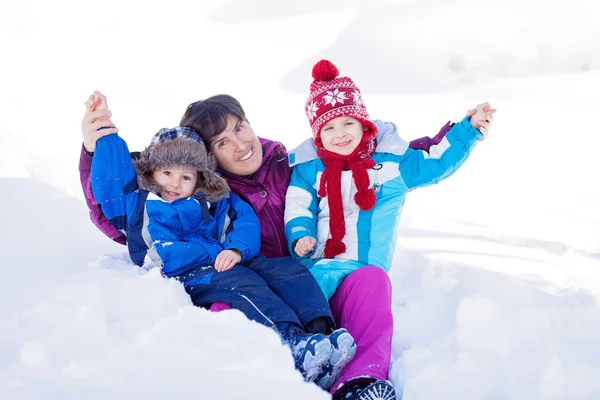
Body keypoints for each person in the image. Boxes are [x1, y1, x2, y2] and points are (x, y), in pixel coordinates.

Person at [79, 86, 493, 397]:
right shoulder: (204, 197)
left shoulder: (291, 160)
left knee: (372, 281)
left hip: (312, 278)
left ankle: (359, 380)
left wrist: (458, 133)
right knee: (226, 307)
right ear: (205, 159)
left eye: (240, 128)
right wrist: (93, 148)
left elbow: (373, 156)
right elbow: (122, 216)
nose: (241, 145)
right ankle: (284, 381)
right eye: (223, 142)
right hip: (253, 290)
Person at [86, 95, 357, 384]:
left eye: (186, 177)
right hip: (189, 274)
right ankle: (291, 342)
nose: (175, 183)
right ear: (152, 172)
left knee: (286, 270)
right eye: (167, 173)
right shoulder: (139, 203)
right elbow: (111, 181)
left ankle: (322, 335)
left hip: (230, 262)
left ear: (200, 179)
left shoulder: (215, 199)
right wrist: (104, 134)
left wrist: (238, 250)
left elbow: (246, 221)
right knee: (243, 285)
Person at [283, 59, 496, 399]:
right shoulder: (309, 169)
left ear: (364, 123)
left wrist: (467, 130)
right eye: (329, 128)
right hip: (318, 267)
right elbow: (298, 205)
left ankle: (359, 380)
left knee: (375, 290)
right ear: (317, 134)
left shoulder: (393, 163)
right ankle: (298, 362)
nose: (340, 134)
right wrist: (300, 234)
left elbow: (437, 161)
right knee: (299, 303)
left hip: (361, 271)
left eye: (348, 122)